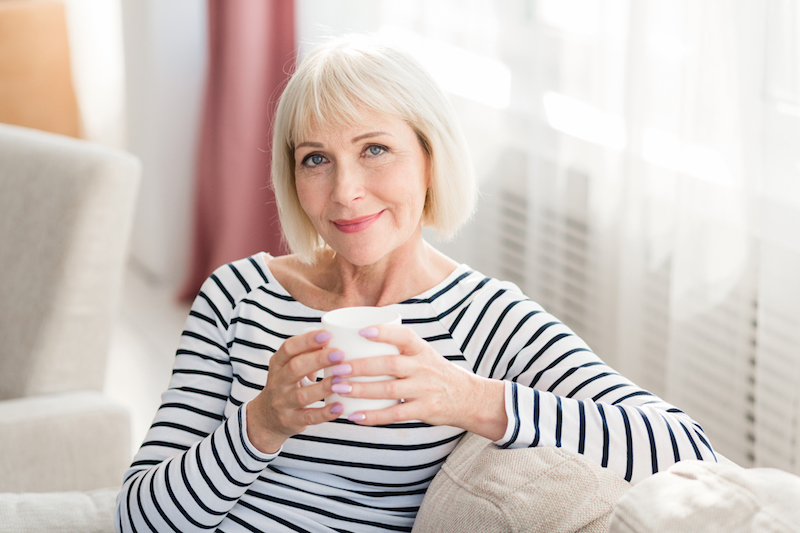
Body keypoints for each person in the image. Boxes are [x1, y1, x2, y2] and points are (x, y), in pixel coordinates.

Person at [115, 35, 716, 533]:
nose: (346, 190)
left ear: (430, 160)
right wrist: (262, 423)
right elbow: (139, 518)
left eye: (375, 149)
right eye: (316, 159)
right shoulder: (237, 295)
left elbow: (687, 449)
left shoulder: (487, 316)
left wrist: (473, 401)